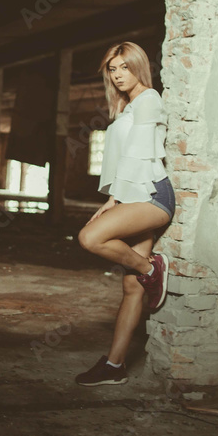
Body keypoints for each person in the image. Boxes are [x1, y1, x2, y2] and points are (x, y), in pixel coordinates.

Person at [75, 41, 175, 387]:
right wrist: (117, 197)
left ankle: (152, 268)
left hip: (150, 196)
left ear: (138, 67)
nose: (118, 76)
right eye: (112, 70)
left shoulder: (149, 100)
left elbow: (137, 156)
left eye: (124, 68)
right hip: (133, 195)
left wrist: (113, 201)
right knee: (131, 287)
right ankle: (115, 365)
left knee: (90, 237)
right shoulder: (129, 106)